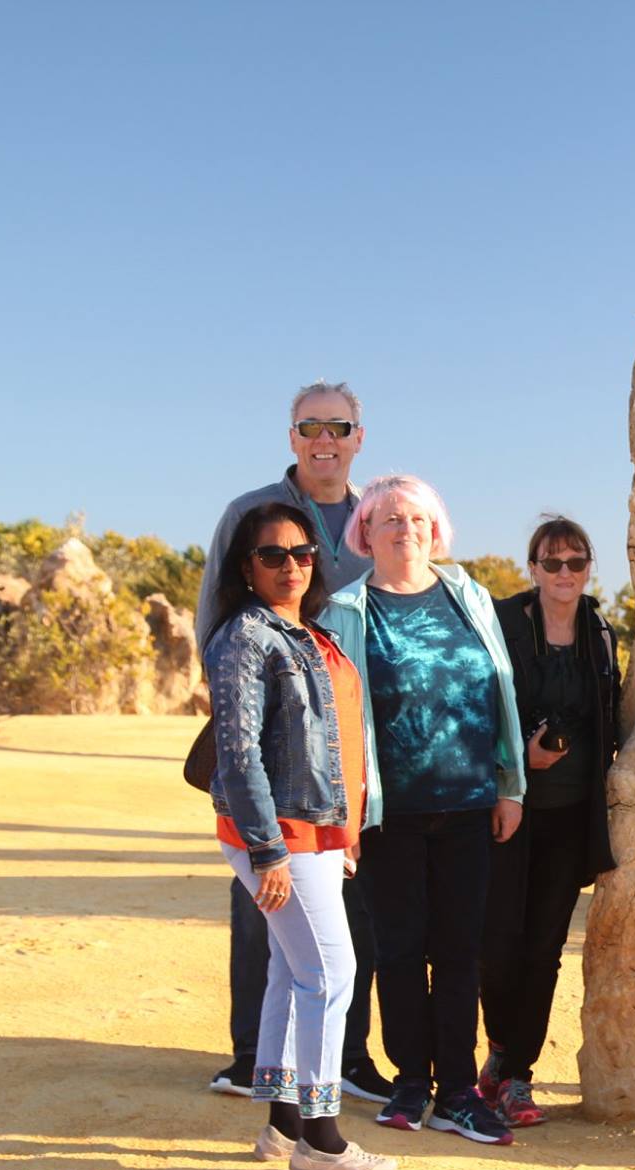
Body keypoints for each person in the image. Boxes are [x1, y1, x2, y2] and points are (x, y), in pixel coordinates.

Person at [318, 475, 528, 1146]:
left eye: (416, 518)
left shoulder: (468, 596)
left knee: (460, 950)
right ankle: (412, 1080)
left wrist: (511, 783)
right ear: (366, 533)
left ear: (435, 530)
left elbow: (502, 688)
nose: (405, 528)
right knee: (400, 948)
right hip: (388, 810)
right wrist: (342, 816)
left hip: (470, 802)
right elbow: (334, 724)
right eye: (389, 519)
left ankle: (459, 1091)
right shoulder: (346, 611)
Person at [195, 381, 388, 1106]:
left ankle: (348, 1057)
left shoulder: (377, 514)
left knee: (349, 904)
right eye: (311, 426)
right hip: (274, 733)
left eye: (338, 425)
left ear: (358, 437)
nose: (324, 438)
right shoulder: (251, 514)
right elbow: (217, 607)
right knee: (265, 910)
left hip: (344, 723)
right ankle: (256, 1059)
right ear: (293, 437)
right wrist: (232, 695)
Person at [476, 516, 622, 1127]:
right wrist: (519, 758)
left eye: (576, 562)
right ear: (532, 568)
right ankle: (503, 1053)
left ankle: (516, 1075)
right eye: (552, 562)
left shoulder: (601, 631)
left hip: (570, 815)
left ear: (590, 568)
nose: (565, 573)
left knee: (544, 948)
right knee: (497, 942)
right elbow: (478, 704)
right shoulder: (504, 623)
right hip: (509, 808)